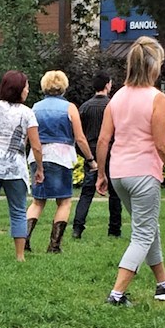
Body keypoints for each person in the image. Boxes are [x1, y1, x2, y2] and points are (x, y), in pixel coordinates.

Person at [95, 36, 165, 307]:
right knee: (143, 233)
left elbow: (103, 140)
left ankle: (164, 284)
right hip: (143, 173)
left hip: (119, 174)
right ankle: (117, 294)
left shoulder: (117, 97)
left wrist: (101, 174)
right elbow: (161, 144)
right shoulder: (157, 98)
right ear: (153, 65)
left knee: (148, 227)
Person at [0, 71, 44, 262]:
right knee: (19, 211)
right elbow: (36, 146)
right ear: (19, 89)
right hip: (15, 168)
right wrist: (39, 168)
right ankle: (20, 255)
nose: (28, 90)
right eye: (26, 87)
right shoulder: (27, 113)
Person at [24, 70, 94, 254]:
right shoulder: (69, 108)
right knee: (64, 201)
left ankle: (25, 239)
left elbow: (27, 135)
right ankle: (54, 245)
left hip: (38, 155)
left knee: (37, 201)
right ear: (64, 86)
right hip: (61, 157)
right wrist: (90, 159)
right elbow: (80, 138)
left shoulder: (35, 108)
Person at [72, 71, 122, 239]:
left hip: (91, 153)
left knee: (87, 192)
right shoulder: (113, 105)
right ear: (107, 85)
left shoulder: (85, 107)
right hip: (111, 151)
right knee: (115, 193)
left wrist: (85, 155)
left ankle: (77, 227)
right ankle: (114, 229)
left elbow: (78, 134)